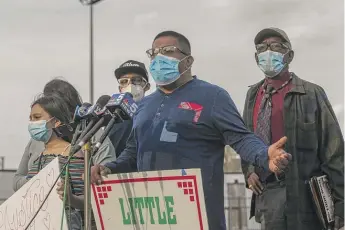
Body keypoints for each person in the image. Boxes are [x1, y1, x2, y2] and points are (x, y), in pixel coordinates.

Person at [91, 30, 292, 230]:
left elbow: (241, 138)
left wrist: (265, 155)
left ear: (188, 61)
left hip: (199, 218)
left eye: (167, 51)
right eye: (153, 53)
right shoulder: (144, 105)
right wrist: (110, 168)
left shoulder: (213, 97)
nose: (158, 58)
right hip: (153, 217)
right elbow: (134, 152)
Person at [241, 27, 344, 230]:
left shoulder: (311, 93)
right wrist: (249, 171)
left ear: (289, 55)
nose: (268, 52)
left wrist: (341, 202)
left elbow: (333, 149)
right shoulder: (253, 95)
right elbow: (246, 139)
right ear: (256, 57)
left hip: (306, 196)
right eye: (262, 48)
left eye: (276, 46)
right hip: (268, 194)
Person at [13, 78, 116, 191]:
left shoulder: (93, 134)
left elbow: (106, 174)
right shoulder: (37, 139)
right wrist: (39, 181)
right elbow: (17, 181)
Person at [26, 94, 87, 229]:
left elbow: (89, 201)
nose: (32, 123)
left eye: (37, 117)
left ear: (56, 122)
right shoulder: (39, 156)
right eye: (30, 118)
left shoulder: (72, 154)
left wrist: (70, 198)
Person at [108, 60, 150, 158]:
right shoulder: (112, 119)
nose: (130, 85)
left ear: (147, 86)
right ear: (120, 89)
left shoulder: (154, 114)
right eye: (124, 81)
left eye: (136, 80)